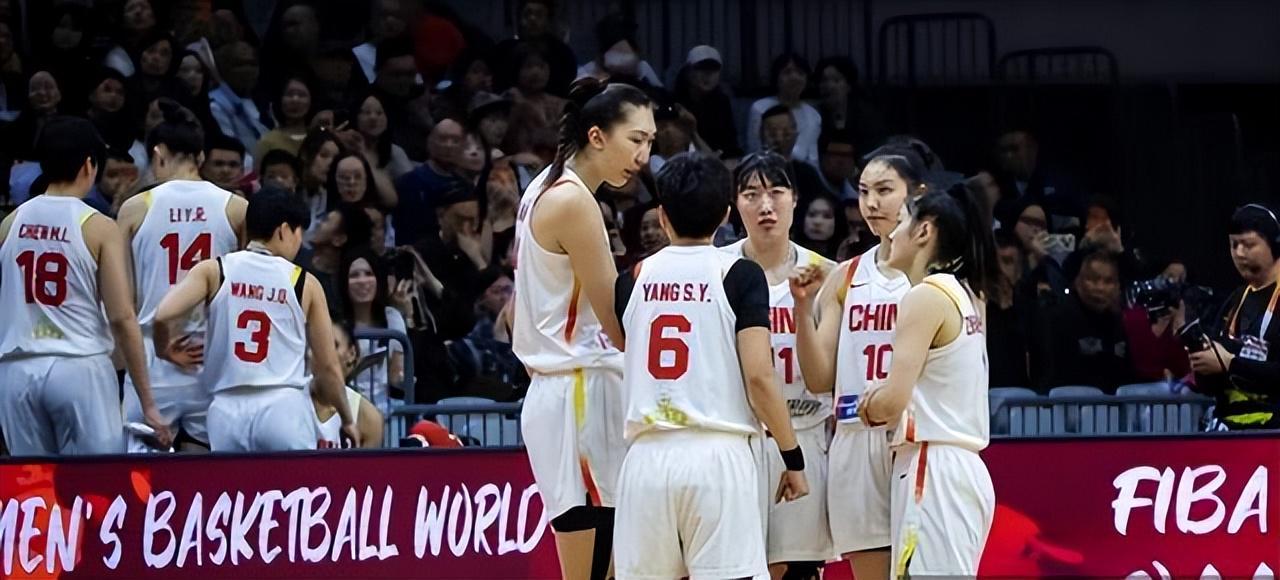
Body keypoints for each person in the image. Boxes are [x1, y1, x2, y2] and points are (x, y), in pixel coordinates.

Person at [613, 151, 808, 579]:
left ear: (662, 217)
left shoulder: (631, 279)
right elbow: (759, 377)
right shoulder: (739, 274)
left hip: (645, 458)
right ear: (725, 215)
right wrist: (792, 456)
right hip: (717, 456)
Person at [512, 79, 653, 580]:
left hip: (559, 391)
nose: (644, 157)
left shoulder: (542, 186)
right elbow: (616, 321)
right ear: (597, 136)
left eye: (650, 142)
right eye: (636, 140)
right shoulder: (574, 201)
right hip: (580, 393)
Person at [792, 150, 929, 580]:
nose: (871, 203)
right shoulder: (846, 275)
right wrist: (802, 310)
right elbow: (820, 379)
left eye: (885, 190)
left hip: (913, 437)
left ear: (917, 193)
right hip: (854, 436)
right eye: (864, 191)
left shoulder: (936, 276)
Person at [0, 116, 172, 455]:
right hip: (78, 367)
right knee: (96, 482)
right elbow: (121, 316)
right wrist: (148, 403)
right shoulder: (98, 226)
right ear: (89, 165)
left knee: (35, 484)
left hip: (16, 370)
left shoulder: (10, 222)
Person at [857, 181, 998, 577]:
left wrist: (869, 402)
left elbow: (892, 403)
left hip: (933, 471)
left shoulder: (925, 296)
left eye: (902, 221)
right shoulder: (968, 294)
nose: (893, 233)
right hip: (960, 469)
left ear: (924, 230)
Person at [154, 187, 357, 451]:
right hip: (281, 406)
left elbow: (162, 314)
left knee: (235, 480)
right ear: (284, 230)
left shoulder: (215, 269)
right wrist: (347, 419)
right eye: (298, 233)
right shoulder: (304, 282)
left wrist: (165, 350)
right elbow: (327, 366)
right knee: (292, 479)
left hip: (226, 409)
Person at [721, 151, 834, 577]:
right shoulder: (718, 270)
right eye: (752, 194)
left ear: (795, 198)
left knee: (800, 569)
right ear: (735, 204)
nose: (765, 206)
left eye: (776, 192)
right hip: (740, 439)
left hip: (805, 433)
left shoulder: (827, 274)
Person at [117, 100, 247, 452]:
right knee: (207, 473)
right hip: (212, 356)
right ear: (200, 157)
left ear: (157, 154)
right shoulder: (235, 207)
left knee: (140, 475)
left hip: (153, 358)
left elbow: (123, 299)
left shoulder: (134, 208)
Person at [1190, 204, 1280, 429]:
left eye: (1248, 245)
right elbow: (1210, 385)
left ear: (1275, 244)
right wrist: (1203, 362)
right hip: (1229, 430)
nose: (1239, 253)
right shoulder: (1235, 300)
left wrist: (1231, 364)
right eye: (1234, 245)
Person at [1031, 250, 1132, 393]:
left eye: (1108, 281)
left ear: (1117, 287)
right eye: (1093, 280)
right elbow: (1049, 376)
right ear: (1077, 282)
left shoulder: (1120, 324)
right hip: (1065, 402)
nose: (1100, 288)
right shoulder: (1058, 319)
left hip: (1111, 405)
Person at [338, 247, 413, 408]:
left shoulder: (392, 317)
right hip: (345, 405)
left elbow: (396, 375)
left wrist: (404, 379)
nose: (362, 281)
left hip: (383, 406)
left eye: (368, 273)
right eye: (354, 275)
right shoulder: (336, 323)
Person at [395, 118, 466, 245]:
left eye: (455, 140)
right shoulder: (410, 182)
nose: (449, 145)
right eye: (443, 139)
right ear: (430, 143)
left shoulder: (466, 185)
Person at [313, 322, 384, 448]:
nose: (324, 353)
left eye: (333, 345)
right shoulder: (290, 403)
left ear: (351, 353)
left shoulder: (369, 418)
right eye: (317, 344)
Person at [748, 53, 821, 165]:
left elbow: (813, 159)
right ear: (776, 77)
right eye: (787, 72)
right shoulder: (759, 108)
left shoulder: (814, 115)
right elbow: (754, 151)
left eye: (800, 73)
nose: (794, 78)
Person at [673, 45, 742, 160]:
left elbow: (730, 145)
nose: (708, 75)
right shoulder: (675, 102)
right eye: (701, 68)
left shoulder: (722, 103)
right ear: (688, 72)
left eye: (714, 70)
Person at [759, 105, 831, 202]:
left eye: (786, 134)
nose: (779, 139)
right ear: (761, 135)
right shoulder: (748, 173)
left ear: (795, 135)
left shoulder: (807, 174)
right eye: (772, 134)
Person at [209, 41, 267, 156]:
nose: (248, 70)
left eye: (252, 64)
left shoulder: (261, 104)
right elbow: (231, 150)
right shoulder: (214, 105)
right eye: (240, 64)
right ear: (224, 69)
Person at [254, 76, 315, 163]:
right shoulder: (267, 142)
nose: (295, 100)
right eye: (289, 94)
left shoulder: (319, 139)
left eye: (302, 95)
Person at [792, 190, 849, 260]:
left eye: (827, 216)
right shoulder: (790, 253)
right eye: (812, 214)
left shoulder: (846, 256)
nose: (817, 222)